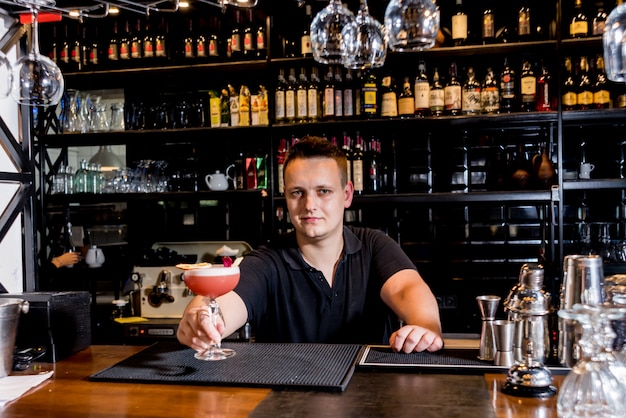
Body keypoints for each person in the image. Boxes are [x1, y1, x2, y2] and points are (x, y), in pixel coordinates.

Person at [177, 136, 444, 353]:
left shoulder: (374, 245)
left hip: (370, 401)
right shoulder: (268, 261)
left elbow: (408, 288)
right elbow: (227, 301)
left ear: (347, 194)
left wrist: (425, 326)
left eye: (323, 191)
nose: (309, 205)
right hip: (286, 402)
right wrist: (203, 318)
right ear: (286, 197)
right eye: (297, 193)